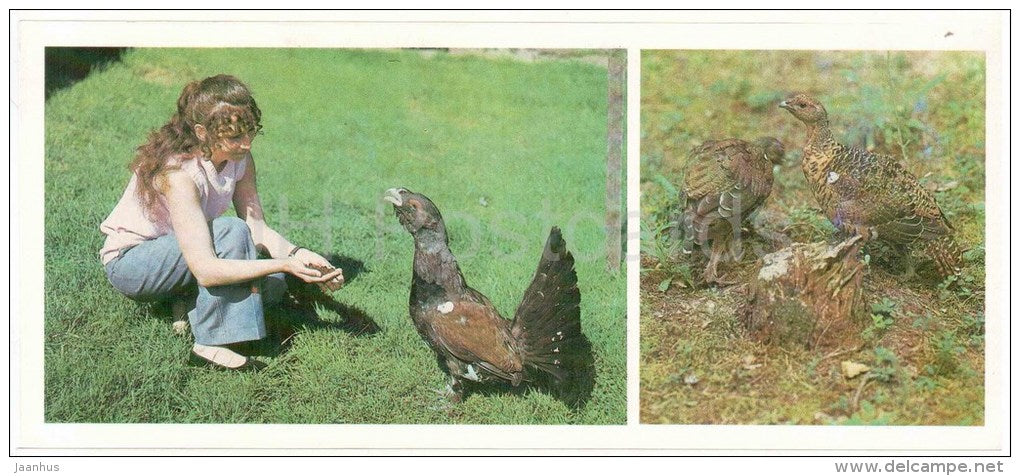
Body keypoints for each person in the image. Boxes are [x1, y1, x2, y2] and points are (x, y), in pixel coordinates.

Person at [99, 74, 343, 370]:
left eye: (250, 131)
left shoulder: (240, 160)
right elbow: (206, 269)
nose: (246, 144)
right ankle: (210, 346)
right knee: (233, 235)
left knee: (274, 285)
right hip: (135, 264)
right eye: (235, 137)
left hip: (184, 255)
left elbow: (257, 227)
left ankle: (184, 304)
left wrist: (298, 254)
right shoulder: (178, 175)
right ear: (203, 132)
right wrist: (282, 264)